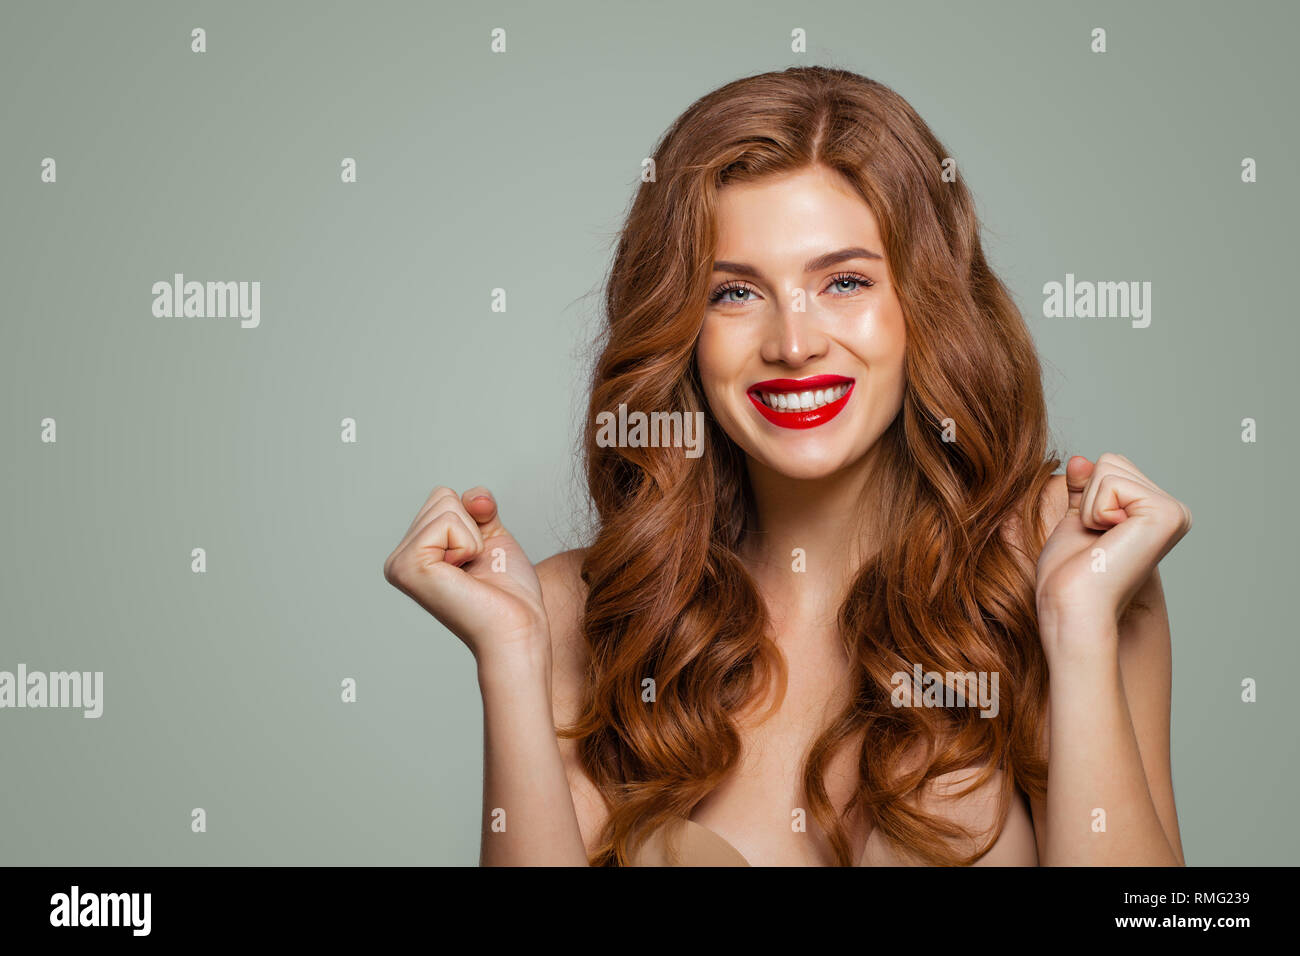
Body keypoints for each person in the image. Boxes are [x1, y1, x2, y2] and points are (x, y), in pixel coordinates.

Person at [383, 66, 1191, 867]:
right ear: (681, 330)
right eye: (734, 293)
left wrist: (1076, 631)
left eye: (843, 282)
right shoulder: (578, 616)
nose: (793, 344)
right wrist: (511, 655)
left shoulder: (1066, 564)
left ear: (926, 301)